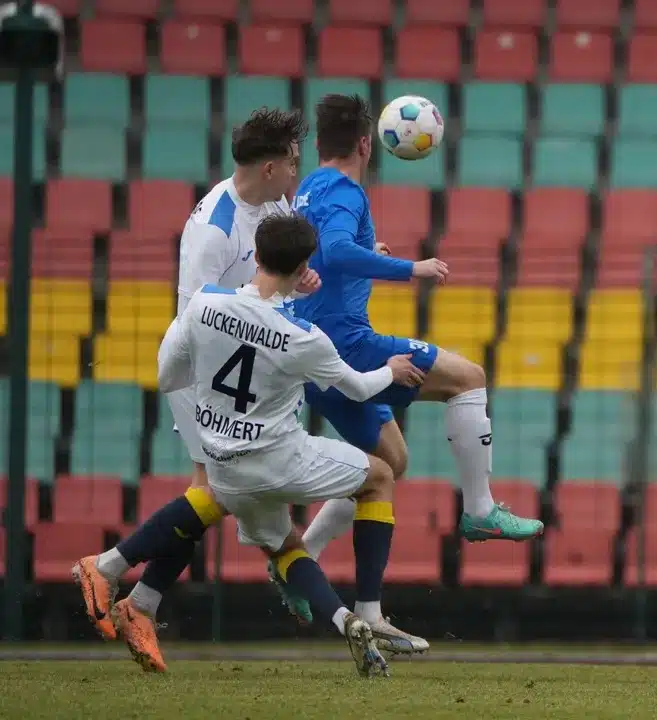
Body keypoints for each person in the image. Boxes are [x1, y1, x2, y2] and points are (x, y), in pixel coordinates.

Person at [75, 214, 424, 676]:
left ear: (256, 256)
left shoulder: (204, 303)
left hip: (223, 464)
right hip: (279, 460)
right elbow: (358, 388)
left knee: (282, 545)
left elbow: (166, 377)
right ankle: (368, 611)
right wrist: (392, 371)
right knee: (379, 476)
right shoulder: (304, 337)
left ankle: (344, 623)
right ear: (303, 270)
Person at [276, 94, 544, 618]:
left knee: (388, 464)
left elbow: (321, 256)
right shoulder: (347, 192)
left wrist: (367, 258)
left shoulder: (308, 188)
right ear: (364, 143)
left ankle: (300, 561)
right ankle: (481, 510)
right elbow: (331, 250)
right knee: (469, 378)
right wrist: (411, 269)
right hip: (347, 345)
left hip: (315, 349)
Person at [72, 107, 318, 650]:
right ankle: (108, 567)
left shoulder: (274, 203)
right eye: (294, 163)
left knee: (209, 494)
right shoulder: (215, 227)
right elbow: (197, 319)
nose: (299, 173)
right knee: (218, 493)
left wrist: (298, 279)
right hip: (201, 369)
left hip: (236, 365)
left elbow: (272, 276)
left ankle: (140, 601)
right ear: (272, 166)